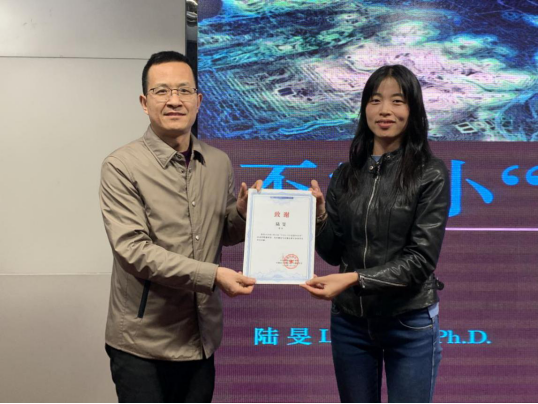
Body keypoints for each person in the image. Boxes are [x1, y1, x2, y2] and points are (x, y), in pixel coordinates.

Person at [100, 51, 261, 403]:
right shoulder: (122, 166)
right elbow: (134, 252)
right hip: (142, 343)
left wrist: (242, 214)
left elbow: (223, 233)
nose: (174, 100)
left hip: (200, 336)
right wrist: (213, 275)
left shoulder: (218, 162)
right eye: (162, 91)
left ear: (198, 101)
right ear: (144, 103)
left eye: (184, 90)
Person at [302, 65, 450, 403]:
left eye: (397, 101)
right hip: (350, 322)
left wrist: (354, 279)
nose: (385, 110)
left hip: (409, 321)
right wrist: (320, 216)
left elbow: (420, 260)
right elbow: (333, 253)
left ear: (413, 109)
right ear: (364, 108)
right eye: (375, 100)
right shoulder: (345, 174)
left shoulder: (430, 173)